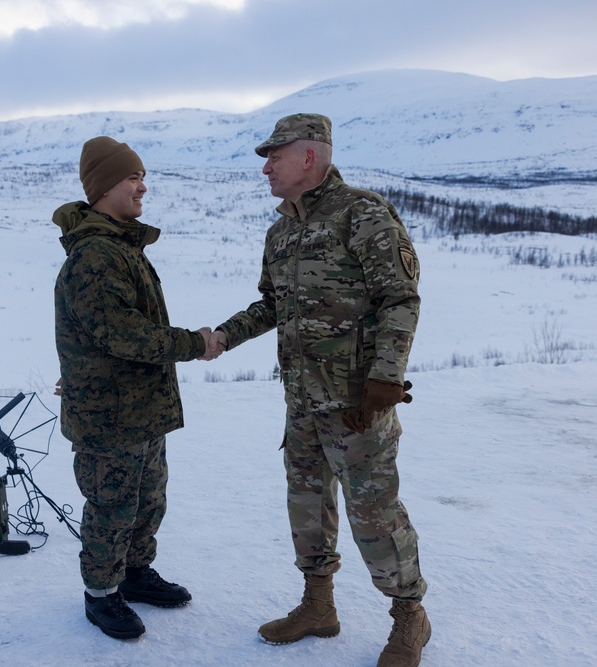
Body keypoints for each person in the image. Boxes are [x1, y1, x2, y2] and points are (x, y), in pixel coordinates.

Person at [208, 114, 431, 667]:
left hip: (359, 403)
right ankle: (318, 606)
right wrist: (222, 337)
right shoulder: (281, 231)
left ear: (308, 157)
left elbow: (400, 298)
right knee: (307, 506)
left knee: (373, 513)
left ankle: (410, 616)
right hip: (302, 400)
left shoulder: (363, 213)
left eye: (274, 156)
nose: (266, 167)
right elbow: (271, 304)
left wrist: (384, 379)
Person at [53, 136, 216, 640]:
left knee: (148, 500)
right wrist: (196, 343)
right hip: (110, 417)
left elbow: (100, 333)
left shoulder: (121, 246)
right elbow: (122, 333)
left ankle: (135, 573)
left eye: (142, 176)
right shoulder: (96, 255)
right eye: (132, 177)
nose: (143, 186)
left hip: (139, 408)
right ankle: (101, 594)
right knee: (112, 507)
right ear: (104, 187)